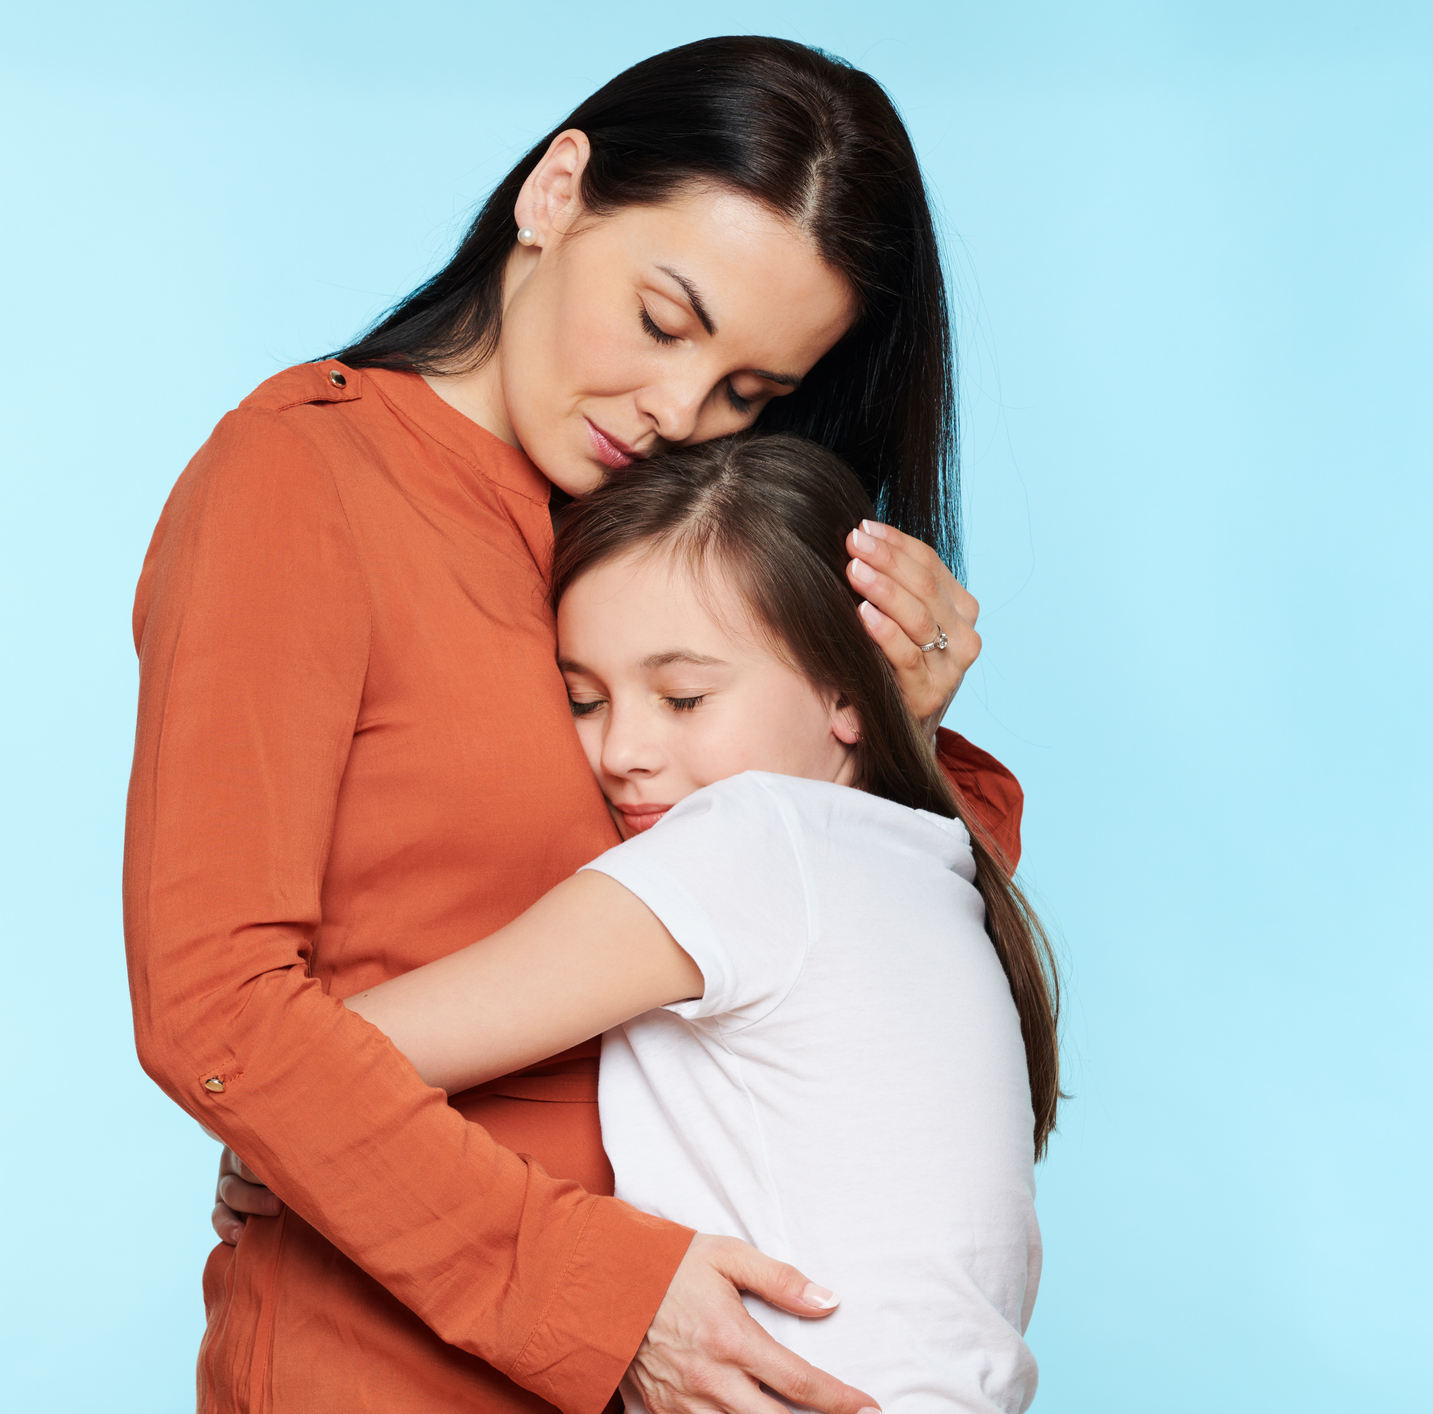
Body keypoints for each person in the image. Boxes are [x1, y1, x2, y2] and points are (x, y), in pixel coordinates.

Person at [126, 35, 1024, 1414]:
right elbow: (216, 1007)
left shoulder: (663, 542)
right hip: (385, 1361)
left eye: (749, 394)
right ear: (555, 192)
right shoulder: (303, 480)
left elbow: (861, 1011)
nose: (679, 411)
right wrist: (601, 1294)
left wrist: (895, 738)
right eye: (667, 320)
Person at [341, 434, 1060, 1414]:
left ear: (846, 691)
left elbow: (332, 1062)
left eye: (684, 697)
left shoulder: (752, 841)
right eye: (584, 699)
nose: (625, 749)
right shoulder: (932, 870)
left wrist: (266, 1151)